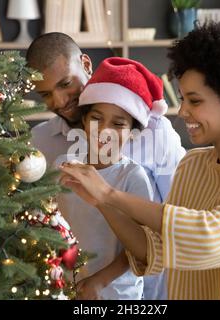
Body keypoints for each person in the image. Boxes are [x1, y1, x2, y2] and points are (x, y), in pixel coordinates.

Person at [59, 22, 220, 300]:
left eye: (195, 101)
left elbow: (209, 238)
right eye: (183, 99)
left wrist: (109, 194)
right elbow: (154, 251)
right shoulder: (192, 164)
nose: (182, 110)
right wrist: (101, 201)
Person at [26, 33, 183, 299]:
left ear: (86, 64)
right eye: (46, 94)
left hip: (144, 290)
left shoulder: (156, 133)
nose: (60, 101)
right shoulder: (42, 142)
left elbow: (176, 216)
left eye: (65, 84)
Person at [57, 57, 167, 299]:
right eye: (96, 119)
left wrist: (98, 281)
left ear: (133, 132)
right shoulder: (63, 167)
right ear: (84, 121)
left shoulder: (132, 177)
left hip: (117, 293)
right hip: (65, 289)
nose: (104, 130)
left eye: (118, 124)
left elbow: (139, 247)